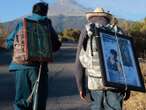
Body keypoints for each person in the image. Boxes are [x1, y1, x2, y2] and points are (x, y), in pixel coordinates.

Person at [1, 2, 61, 110]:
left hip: (19, 66)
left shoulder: (22, 23)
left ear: (33, 11)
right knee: (39, 100)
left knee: (21, 101)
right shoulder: (47, 23)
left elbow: (9, 44)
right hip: (39, 68)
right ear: (45, 12)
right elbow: (55, 46)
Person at [75, 7, 130, 110]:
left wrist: (80, 86)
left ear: (91, 17)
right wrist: (128, 87)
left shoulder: (87, 30)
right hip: (116, 83)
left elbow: (79, 61)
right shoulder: (117, 30)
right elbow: (125, 60)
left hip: (94, 82)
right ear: (106, 18)